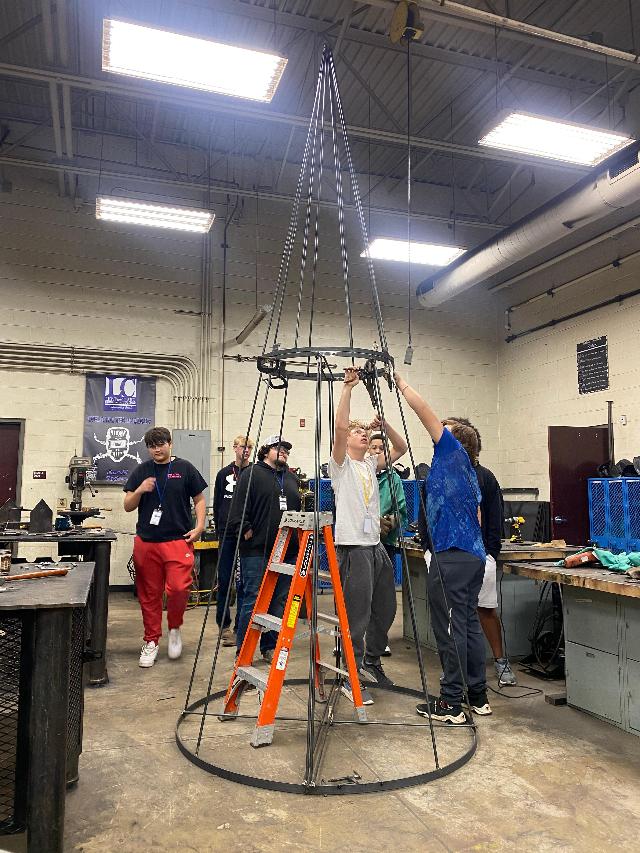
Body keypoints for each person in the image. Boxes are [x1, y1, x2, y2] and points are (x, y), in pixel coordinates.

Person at [396, 372, 491, 725]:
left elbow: (425, 413)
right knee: (466, 625)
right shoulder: (467, 474)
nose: (438, 432)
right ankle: (477, 696)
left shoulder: (452, 454)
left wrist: (402, 383)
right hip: (471, 556)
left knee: (450, 629)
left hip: (452, 557)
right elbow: (478, 516)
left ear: (456, 440)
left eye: (444, 429)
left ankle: (451, 703)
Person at [329, 367, 408, 705]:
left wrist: (382, 423)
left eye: (365, 431)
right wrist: (348, 389)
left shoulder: (370, 465)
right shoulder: (341, 465)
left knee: (386, 607)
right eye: (357, 431)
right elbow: (340, 426)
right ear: (347, 440)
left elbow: (402, 446)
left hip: (375, 546)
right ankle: (349, 672)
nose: (362, 434)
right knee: (356, 615)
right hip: (353, 548)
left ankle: (372, 660)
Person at [124, 426, 207, 668]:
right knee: (149, 595)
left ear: (170, 443)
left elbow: (199, 499)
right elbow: (128, 505)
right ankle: (151, 641)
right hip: (147, 542)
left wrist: (200, 526)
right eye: (152, 445)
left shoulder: (184, 468)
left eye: (161, 443)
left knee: (178, 589)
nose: (156, 449)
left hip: (177, 541)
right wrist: (139, 489)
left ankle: (174, 630)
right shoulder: (142, 470)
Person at [446, 416, 517, 686]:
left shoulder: (485, 478)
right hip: (450, 557)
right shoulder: (442, 475)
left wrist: (489, 554)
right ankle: (457, 671)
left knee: (485, 610)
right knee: (455, 616)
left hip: (479, 555)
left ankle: (500, 662)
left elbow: (495, 519)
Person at [228, 435, 301, 663]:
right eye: (278, 448)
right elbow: (238, 506)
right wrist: (245, 529)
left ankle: (269, 646)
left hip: (286, 551)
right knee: (253, 601)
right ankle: (245, 651)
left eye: (287, 449)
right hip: (257, 551)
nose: (284, 451)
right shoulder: (251, 474)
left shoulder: (290, 478)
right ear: (265, 451)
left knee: (279, 603)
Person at [213, 435, 254, 647]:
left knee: (245, 582)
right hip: (227, 533)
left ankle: (241, 626)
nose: (245, 451)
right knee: (225, 581)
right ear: (234, 448)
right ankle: (224, 625)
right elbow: (218, 502)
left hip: (247, 533)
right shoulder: (223, 475)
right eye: (242, 447)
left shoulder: (255, 473)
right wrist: (220, 529)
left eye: (249, 448)